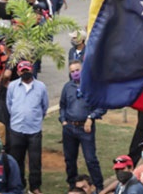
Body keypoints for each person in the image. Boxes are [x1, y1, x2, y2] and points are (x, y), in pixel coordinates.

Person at [60, 59, 105, 190]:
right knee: (70, 159)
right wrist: (63, 120)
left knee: (91, 159)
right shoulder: (67, 87)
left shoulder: (93, 86)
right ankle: (72, 185)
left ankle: (99, 186)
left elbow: (102, 107)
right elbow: (62, 105)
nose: (75, 73)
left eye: (77, 70)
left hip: (85, 128)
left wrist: (91, 117)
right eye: (72, 71)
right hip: (69, 128)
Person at [5, 60, 48, 194]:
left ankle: (35, 186)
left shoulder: (41, 86)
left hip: (34, 130)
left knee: (35, 161)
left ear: (32, 70)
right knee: (17, 159)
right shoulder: (12, 86)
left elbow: (44, 106)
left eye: (27, 70)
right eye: (22, 71)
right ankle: (19, 185)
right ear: (18, 72)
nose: (25, 73)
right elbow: (9, 105)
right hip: (17, 129)